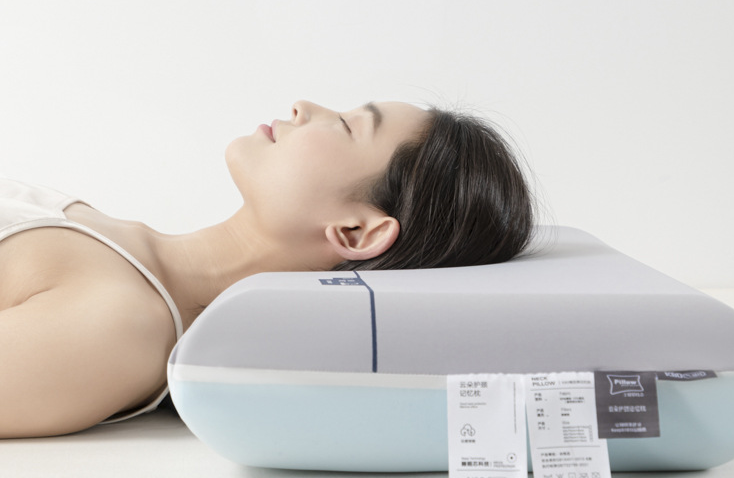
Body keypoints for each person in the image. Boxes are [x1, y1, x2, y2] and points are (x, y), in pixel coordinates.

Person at [0, 100, 536, 439]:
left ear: (356, 231)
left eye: (347, 126)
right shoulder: (114, 246)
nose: (304, 107)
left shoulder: (119, 328)